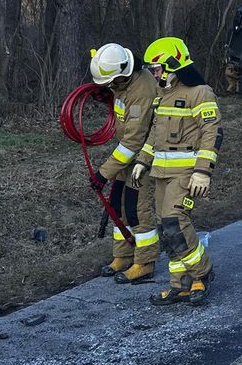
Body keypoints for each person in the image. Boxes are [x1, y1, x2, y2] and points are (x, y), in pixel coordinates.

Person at [132, 37, 220, 306]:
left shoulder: (200, 93)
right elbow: (154, 136)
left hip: (186, 174)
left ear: (172, 65)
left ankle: (202, 274)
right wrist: (142, 161)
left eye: (157, 69)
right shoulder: (163, 96)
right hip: (161, 173)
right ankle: (179, 284)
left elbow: (211, 133)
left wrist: (203, 172)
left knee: (175, 222)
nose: (154, 74)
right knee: (165, 228)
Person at [88, 43, 160, 284]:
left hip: (141, 157)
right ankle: (122, 255)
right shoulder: (122, 83)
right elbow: (121, 103)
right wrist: (106, 95)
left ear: (122, 74)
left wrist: (103, 173)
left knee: (135, 209)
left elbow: (133, 141)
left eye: (111, 83)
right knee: (117, 206)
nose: (110, 87)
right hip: (125, 155)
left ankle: (145, 262)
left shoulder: (142, 89)